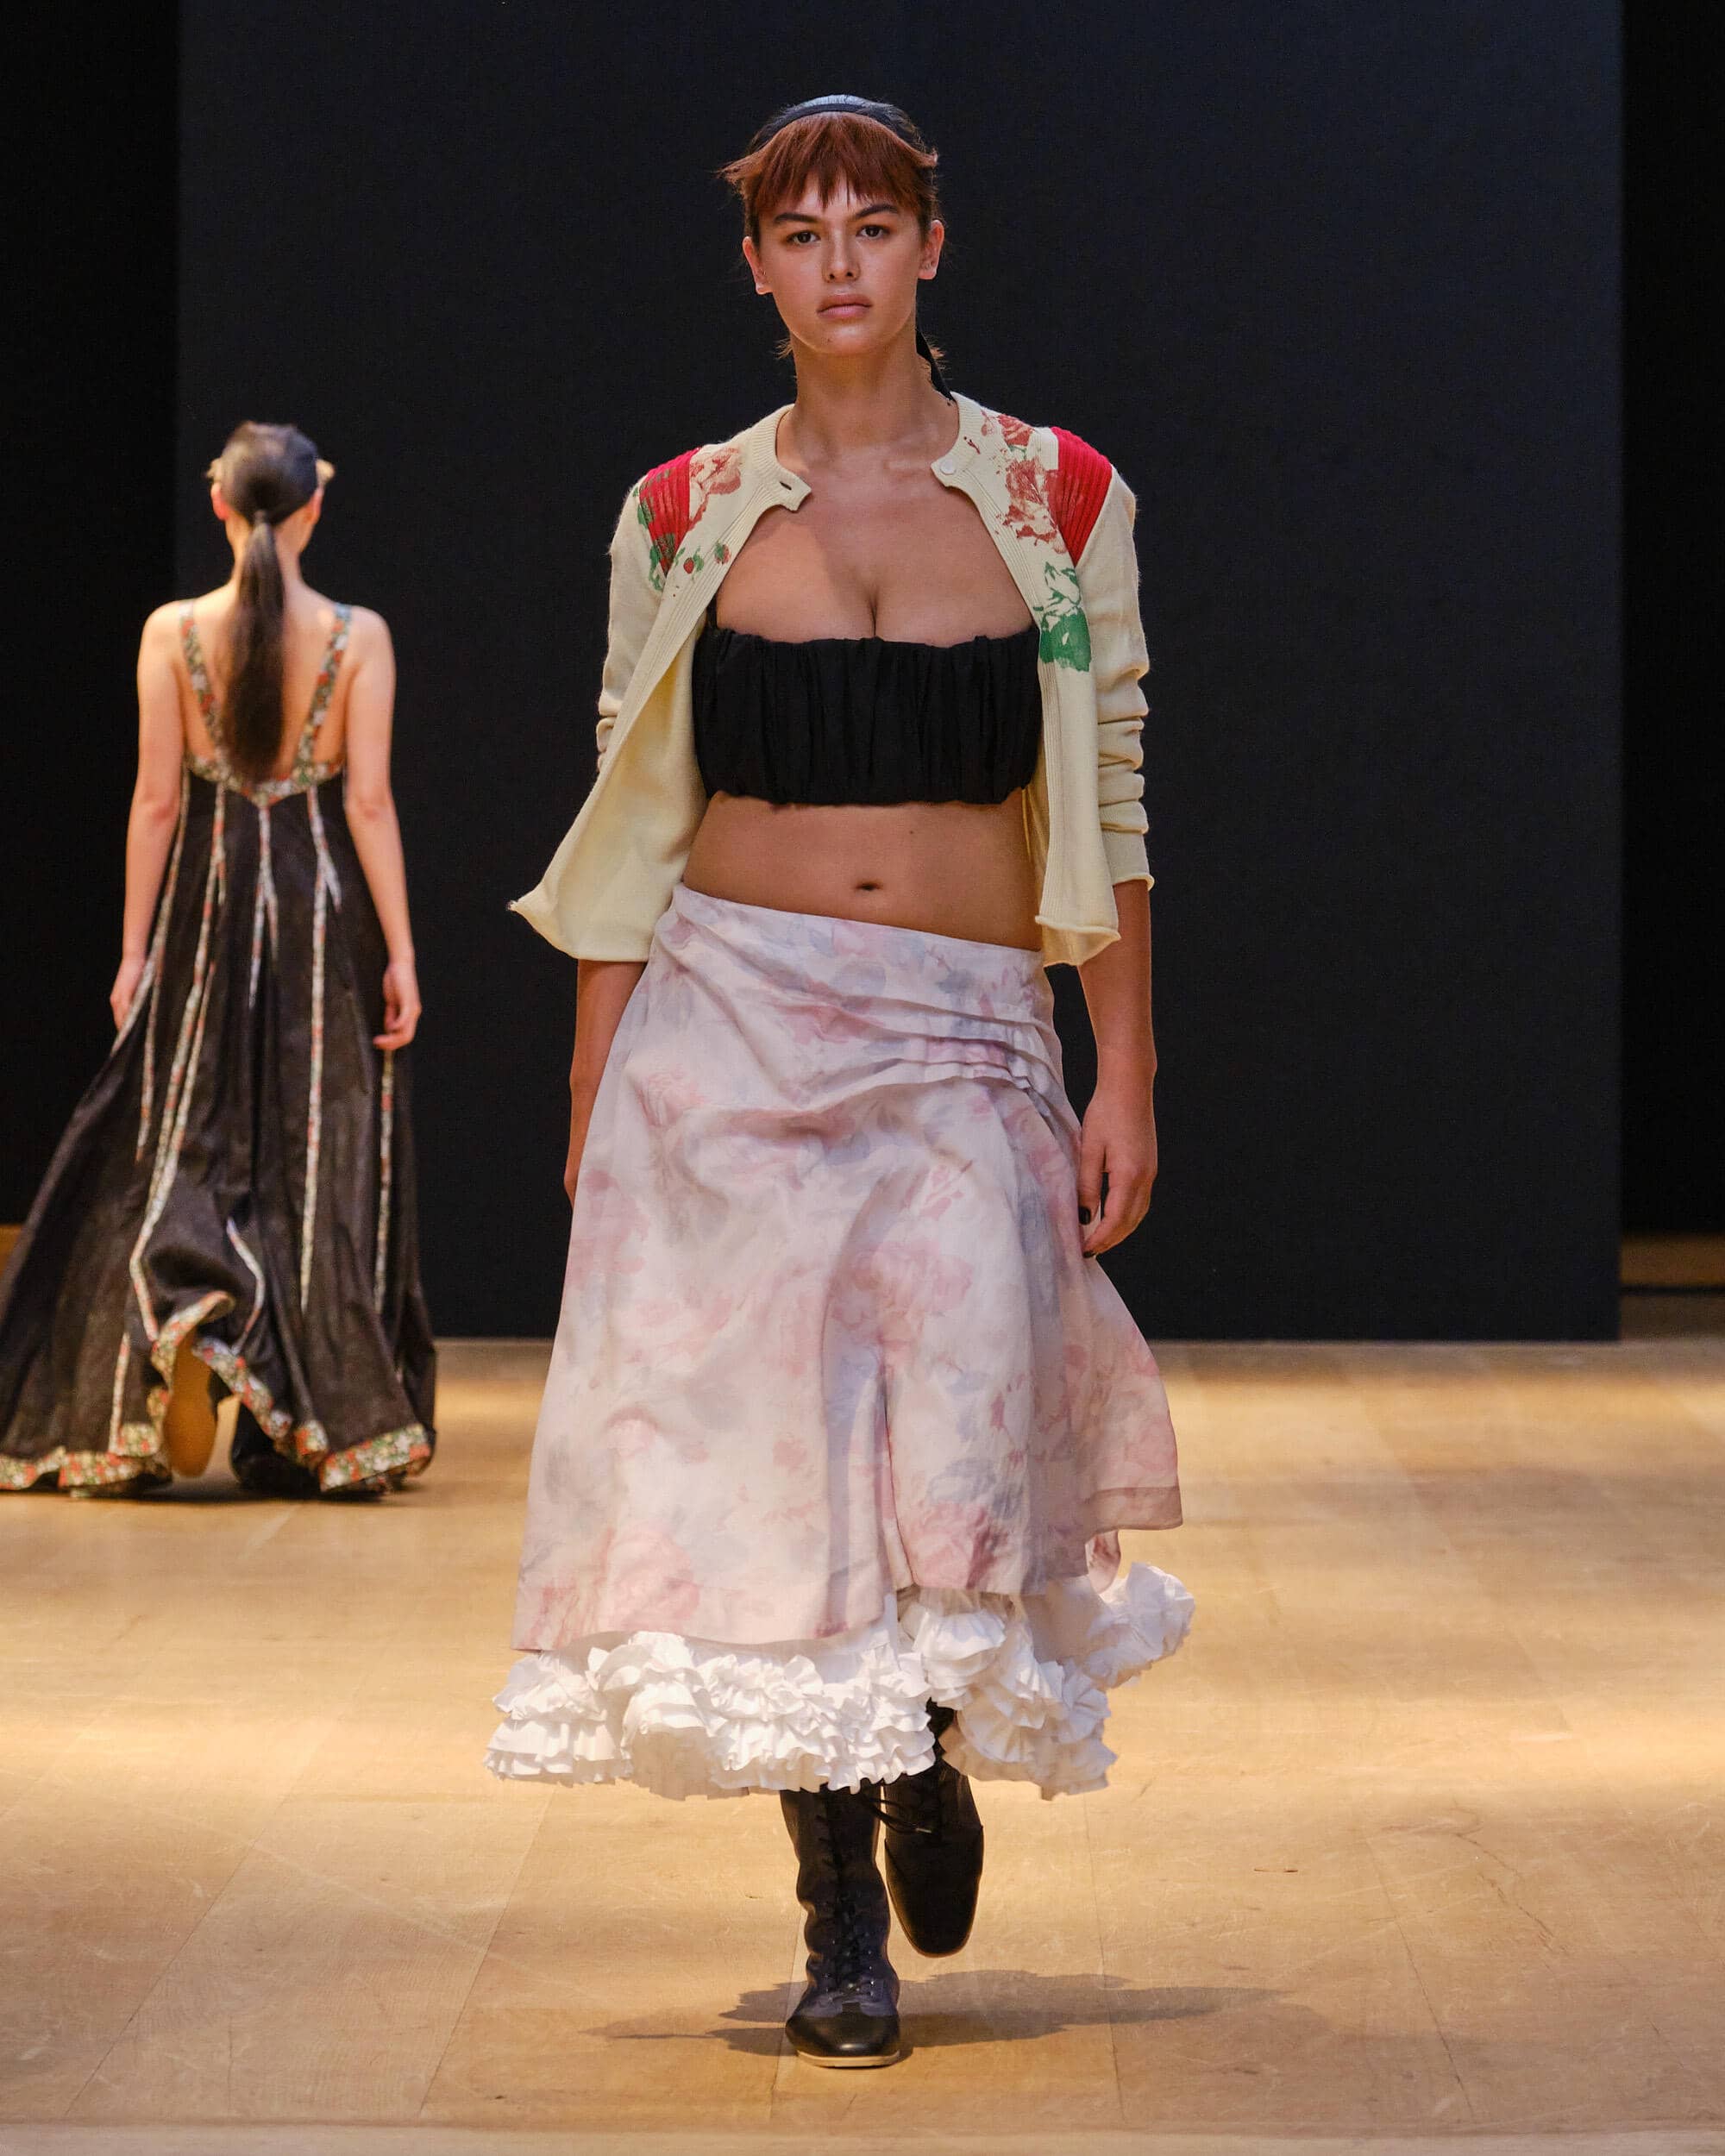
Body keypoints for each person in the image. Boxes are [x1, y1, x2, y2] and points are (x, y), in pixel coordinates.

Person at [486, 97, 1190, 2066]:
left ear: (928, 246)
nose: (838, 263)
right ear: (756, 270)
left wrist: (1123, 1066)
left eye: (869, 226)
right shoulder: (677, 512)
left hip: (964, 1030)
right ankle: (834, 1926)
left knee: (950, 1440)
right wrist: (594, 1081)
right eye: (798, 234)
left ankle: (922, 1752)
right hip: (728, 1026)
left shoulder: (1055, 495)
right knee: (776, 1480)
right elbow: (631, 798)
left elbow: (1110, 790)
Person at [0, 423, 435, 1498]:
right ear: (312, 510)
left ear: (221, 508)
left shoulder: (171, 631)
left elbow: (157, 801)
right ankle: (307, 1409)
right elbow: (369, 803)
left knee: (184, 1133)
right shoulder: (358, 636)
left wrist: (132, 949)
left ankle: (187, 1310)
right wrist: (402, 951)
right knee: (310, 1147)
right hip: (316, 911)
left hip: (206, 904)